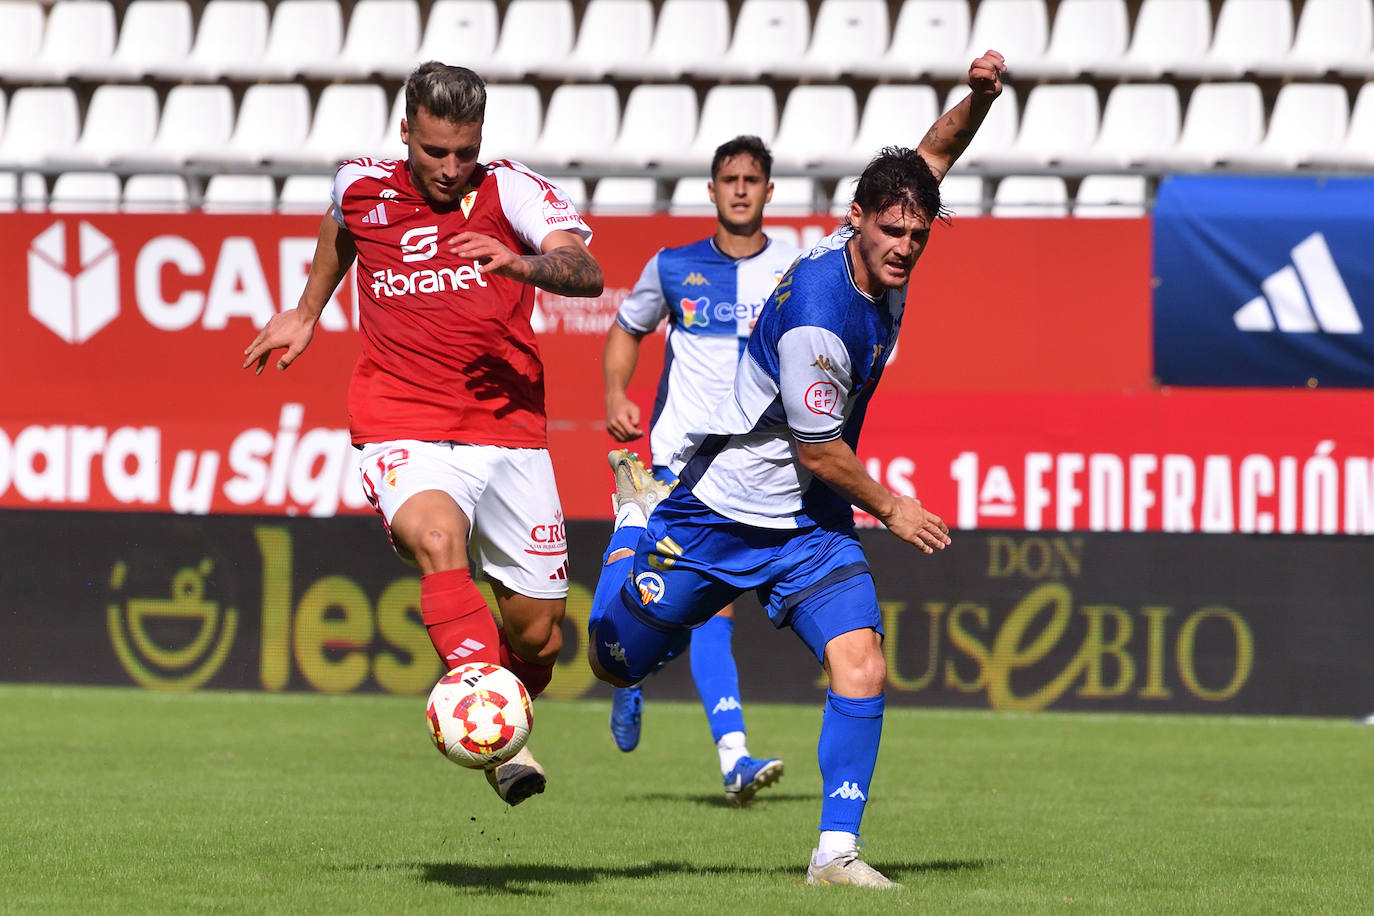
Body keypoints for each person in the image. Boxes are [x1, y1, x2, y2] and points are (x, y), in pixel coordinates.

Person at [587, 51, 1007, 887]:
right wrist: (894, 507)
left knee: (861, 659)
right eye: (893, 233)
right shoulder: (820, 317)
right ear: (856, 220)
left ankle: (833, 853)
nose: (907, 247)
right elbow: (820, 449)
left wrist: (980, 98)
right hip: (718, 510)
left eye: (919, 235)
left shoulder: (886, 226)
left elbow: (932, 156)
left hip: (805, 526)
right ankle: (633, 525)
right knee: (613, 661)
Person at [242, 62, 604, 807]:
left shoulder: (513, 191)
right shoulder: (363, 184)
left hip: (508, 433)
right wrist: (308, 311)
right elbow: (341, 227)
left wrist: (523, 262)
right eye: (436, 151)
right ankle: (492, 727)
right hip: (400, 422)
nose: (450, 168)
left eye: (464, 152)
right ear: (406, 133)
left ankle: (502, 699)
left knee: (539, 640)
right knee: (438, 541)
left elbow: (586, 269)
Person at [598, 135, 800, 804]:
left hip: (742, 474)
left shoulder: (796, 270)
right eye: (729, 179)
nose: (740, 189)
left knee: (710, 616)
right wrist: (616, 395)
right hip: (666, 464)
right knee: (630, 586)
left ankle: (734, 758)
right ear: (711, 191)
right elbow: (626, 328)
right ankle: (625, 677)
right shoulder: (672, 266)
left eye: (752, 179)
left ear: (769, 191)